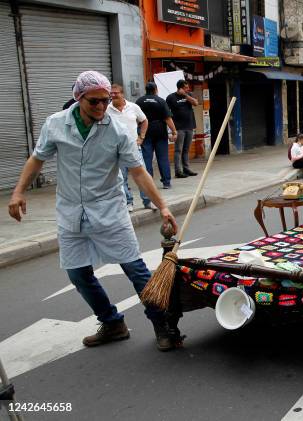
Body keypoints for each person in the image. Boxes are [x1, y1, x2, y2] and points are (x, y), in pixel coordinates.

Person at [8, 71, 180, 350]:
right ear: (79, 98)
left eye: (105, 100)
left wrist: (163, 206)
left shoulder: (119, 129)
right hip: (70, 211)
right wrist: (18, 192)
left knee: (135, 269)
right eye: (94, 102)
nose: (101, 107)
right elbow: (37, 159)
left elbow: (138, 172)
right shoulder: (56, 124)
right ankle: (112, 322)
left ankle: (163, 324)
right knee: (77, 273)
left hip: (109, 209)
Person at [108, 83, 149, 212]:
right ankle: (128, 202)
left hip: (134, 148)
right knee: (122, 178)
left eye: (116, 93)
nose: (113, 95)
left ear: (122, 94)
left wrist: (141, 137)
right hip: (116, 150)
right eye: (111, 93)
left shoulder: (133, 107)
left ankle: (147, 201)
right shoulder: (106, 109)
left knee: (142, 175)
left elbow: (144, 121)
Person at [136, 82, 176, 190]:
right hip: (160, 131)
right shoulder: (161, 101)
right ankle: (166, 182)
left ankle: (149, 183)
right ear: (155, 89)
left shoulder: (139, 101)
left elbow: (135, 118)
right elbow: (168, 118)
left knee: (146, 158)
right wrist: (174, 131)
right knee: (163, 157)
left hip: (145, 131)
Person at [166, 80, 198, 179]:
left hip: (189, 126)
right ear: (179, 88)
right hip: (178, 127)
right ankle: (178, 171)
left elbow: (196, 103)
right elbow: (166, 112)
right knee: (178, 150)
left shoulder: (189, 95)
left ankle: (186, 169)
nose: (187, 89)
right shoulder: (171, 97)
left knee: (186, 149)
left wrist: (186, 95)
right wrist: (171, 130)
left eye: (187, 88)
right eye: (185, 88)